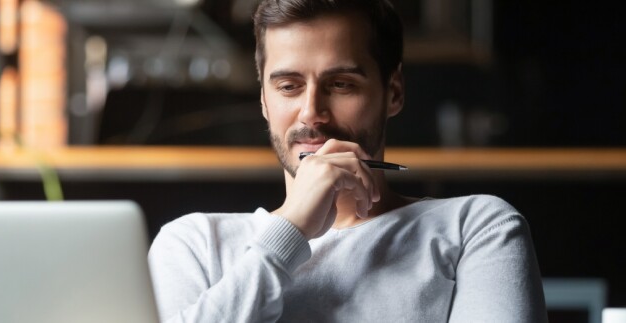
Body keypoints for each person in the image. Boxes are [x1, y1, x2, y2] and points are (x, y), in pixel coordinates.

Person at [148, 0, 548, 322]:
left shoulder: (477, 227)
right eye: (289, 86)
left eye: (341, 85)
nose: (311, 113)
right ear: (264, 100)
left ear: (393, 92)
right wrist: (289, 230)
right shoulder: (194, 243)